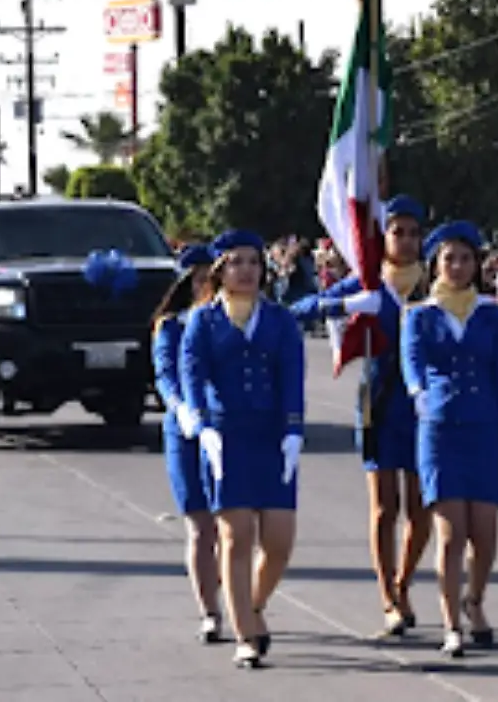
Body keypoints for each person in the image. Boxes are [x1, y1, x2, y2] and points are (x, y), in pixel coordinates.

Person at [287, 195, 432, 637]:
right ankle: (387, 594)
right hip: (380, 403)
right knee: (384, 507)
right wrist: (348, 306)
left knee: (421, 509)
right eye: (396, 232)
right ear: (382, 236)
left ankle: (405, 583)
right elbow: (299, 310)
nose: (404, 241)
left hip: (426, 407)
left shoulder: (435, 283)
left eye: (411, 233)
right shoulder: (367, 281)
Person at [179, 230, 305, 671]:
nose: (246, 270)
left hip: (271, 437)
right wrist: (199, 424)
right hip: (226, 436)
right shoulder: (203, 321)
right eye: (236, 262)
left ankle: (251, 604)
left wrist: (294, 430)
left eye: (253, 261)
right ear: (220, 270)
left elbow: (293, 376)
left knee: (279, 541)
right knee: (235, 539)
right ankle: (245, 635)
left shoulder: (280, 320)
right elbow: (191, 374)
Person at [401, 220, 498, 658]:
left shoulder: (491, 314)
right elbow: (412, 362)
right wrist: (418, 393)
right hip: (440, 430)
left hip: (484, 430)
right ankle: (451, 623)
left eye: (466, 258)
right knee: (451, 533)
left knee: (484, 534)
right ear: (435, 265)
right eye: (449, 258)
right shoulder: (420, 315)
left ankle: (475, 600)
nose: (457, 266)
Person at [151, 244, 222, 642]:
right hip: (186, 433)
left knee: (231, 527)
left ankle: (234, 596)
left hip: (226, 430)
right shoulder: (171, 325)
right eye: (196, 279)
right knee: (200, 526)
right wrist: (180, 408)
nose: (203, 286)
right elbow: (164, 375)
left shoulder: (224, 322)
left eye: (209, 278)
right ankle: (210, 612)